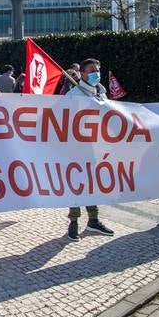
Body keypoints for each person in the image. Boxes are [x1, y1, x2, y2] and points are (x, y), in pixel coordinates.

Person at [65, 58, 114, 240]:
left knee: (93, 184)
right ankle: (74, 222)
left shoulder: (101, 92)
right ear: (83, 74)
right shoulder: (73, 95)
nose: (96, 74)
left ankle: (93, 219)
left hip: (97, 148)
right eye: (92, 70)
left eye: (98, 70)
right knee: (76, 185)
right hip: (77, 149)